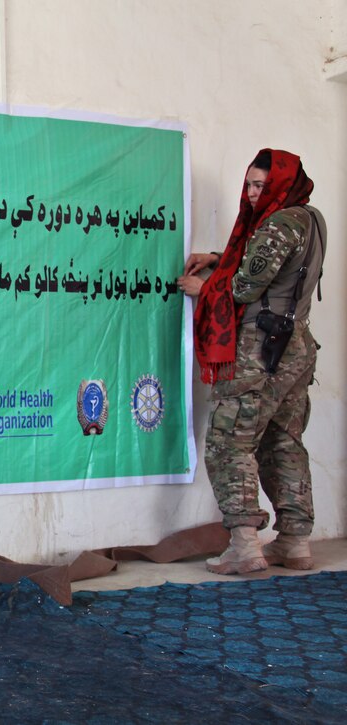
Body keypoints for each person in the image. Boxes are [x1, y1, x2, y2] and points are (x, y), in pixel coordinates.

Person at [178, 149, 325, 575]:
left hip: (260, 350)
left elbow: (244, 287)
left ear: (283, 183)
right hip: (296, 346)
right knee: (284, 440)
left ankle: (244, 545)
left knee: (229, 442)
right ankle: (295, 544)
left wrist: (203, 288)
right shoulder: (311, 218)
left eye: (263, 185)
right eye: (250, 184)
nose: (255, 193)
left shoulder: (278, 224)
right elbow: (273, 270)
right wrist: (217, 258)